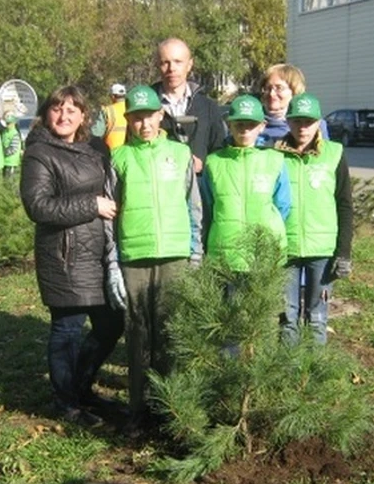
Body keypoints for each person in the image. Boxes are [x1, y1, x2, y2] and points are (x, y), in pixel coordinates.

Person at [19, 85, 125, 427]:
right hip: (64, 256)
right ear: (47, 113)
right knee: (67, 329)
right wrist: (91, 205)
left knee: (111, 324)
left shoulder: (95, 147)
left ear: (83, 116)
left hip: (97, 254)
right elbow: (38, 206)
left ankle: (81, 387)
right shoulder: (39, 153)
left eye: (71, 110)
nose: (63, 116)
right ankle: (66, 403)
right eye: (56, 109)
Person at [105, 85, 202, 432]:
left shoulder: (179, 154)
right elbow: (110, 215)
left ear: (160, 115)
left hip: (175, 254)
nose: (144, 124)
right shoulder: (119, 159)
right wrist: (113, 262)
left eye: (149, 116)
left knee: (170, 334)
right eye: (136, 117)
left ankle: (170, 410)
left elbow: (194, 206)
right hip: (134, 256)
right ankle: (138, 410)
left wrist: (196, 252)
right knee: (138, 335)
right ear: (128, 119)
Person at [276, 92, 353, 345]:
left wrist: (344, 252)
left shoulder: (334, 153)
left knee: (317, 316)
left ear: (319, 122)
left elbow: (344, 204)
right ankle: (289, 375)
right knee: (288, 318)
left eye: (309, 122)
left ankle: (313, 377)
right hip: (286, 249)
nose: (302, 127)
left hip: (322, 250)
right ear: (288, 121)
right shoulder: (274, 155)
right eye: (297, 121)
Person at [200, 95, 290, 271]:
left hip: (263, 252)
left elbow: (283, 205)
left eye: (251, 124)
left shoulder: (275, 160)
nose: (245, 130)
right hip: (224, 253)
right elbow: (207, 205)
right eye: (239, 124)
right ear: (229, 124)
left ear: (262, 126)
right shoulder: (214, 162)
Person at [152, 37, 227, 174]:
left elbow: (220, 152)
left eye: (178, 62)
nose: (171, 68)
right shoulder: (147, 108)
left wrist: (203, 165)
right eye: (165, 62)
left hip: (199, 188)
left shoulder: (208, 107)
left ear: (189, 64)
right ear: (157, 65)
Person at [258, 63, 329, 146]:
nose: (271, 93)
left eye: (279, 88)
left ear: (295, 91)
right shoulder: (250, 123)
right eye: (267, 88)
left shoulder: (314, 124)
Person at [101, 83, 128, 150]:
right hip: (129, 154)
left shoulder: (107, 110)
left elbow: (96, 135)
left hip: (110, 153)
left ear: (112, 96)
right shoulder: (131, 109)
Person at [0, 112, 23, 178]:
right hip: (5, 161)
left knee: (9, 180)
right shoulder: (5, 132)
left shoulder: (15, 134)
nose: (7, 125)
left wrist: (4, 153)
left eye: (9, 123)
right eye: (6, 123)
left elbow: (14, 148)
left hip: (11, 162)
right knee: (4, 179)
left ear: (14, 123)